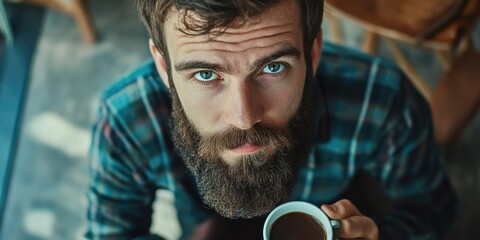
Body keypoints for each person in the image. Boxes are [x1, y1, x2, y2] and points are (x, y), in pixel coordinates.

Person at [86, 0, 457, 239]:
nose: (244, 118)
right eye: (205, 75)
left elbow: (432, 212)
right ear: (164, 66)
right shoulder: (126, 120)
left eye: (272, 67)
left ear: (313, 53)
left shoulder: (382, 99)